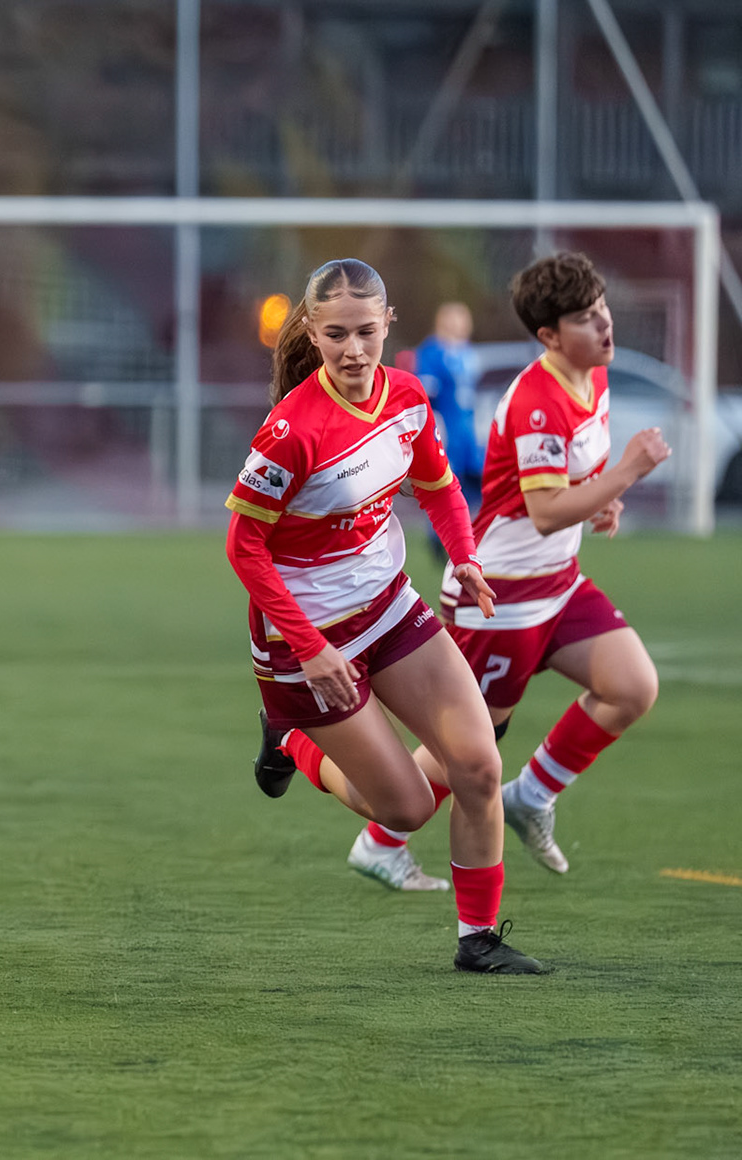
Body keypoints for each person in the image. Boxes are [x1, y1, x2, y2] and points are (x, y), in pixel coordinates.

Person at [229, 257, 547, 974]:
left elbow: (437, 487)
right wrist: (311, 650)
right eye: (335, 333)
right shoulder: (289, 432)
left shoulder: (407, 396)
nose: (351, 349)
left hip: (389, 608)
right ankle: (292, 742)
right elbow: (243, 549)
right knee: (405, 811)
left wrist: (464, 556)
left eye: (366, 332)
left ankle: (479, 940)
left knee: (477, 764)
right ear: (311, 330)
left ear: (389, 325)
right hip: (301, 641)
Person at [339, 252, 668, 880]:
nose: (605, 327)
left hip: (557, 583)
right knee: (470, 749)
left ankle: (533, 795)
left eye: (602, 311)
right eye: (585, 318)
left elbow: (571, 480)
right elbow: (544, 511)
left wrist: (606, 494)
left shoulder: (592, 376)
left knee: (631, 687)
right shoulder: (537, 401)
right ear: (549, 337)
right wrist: (627, 470)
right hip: (502, 595)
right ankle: (380, 840)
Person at [412, 301, 484, 513]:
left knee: (473, 486)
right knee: (446, 485)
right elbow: (426, 394)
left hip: (467, 430)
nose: (457, 324)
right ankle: (439, 539)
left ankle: (471, 534)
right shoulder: (431, 352)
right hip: (446, 428)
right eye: (452, 318)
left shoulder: (468, 353)